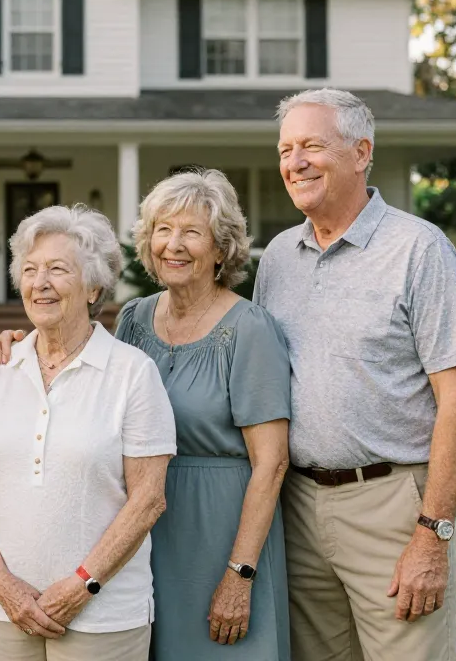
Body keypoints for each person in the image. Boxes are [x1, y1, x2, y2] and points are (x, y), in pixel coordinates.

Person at [254, 88, 456, 661]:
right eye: (286, 149)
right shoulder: (278, 258)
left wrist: (432, 533)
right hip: (298, 509)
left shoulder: (419, 249)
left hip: (391, 506)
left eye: (311, 145)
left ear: (361, 153)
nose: (294, 162)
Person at [0, 205, 176, 661]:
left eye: (58, 270)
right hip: (1, 613)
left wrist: (82, 585)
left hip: (103, 618)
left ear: (94, 286)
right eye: (31, 270)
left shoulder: (133, 374)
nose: (40, 283)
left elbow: (148, 499)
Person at [118, 169, 291, 659]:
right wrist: (18, 342)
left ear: (221, 249)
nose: (173, 244)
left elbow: (272, 463)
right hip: (145, 534)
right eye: (163, 229)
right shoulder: (132, 319)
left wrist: (240, 574)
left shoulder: (249, 329)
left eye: (192, 232)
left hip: (224, 534)